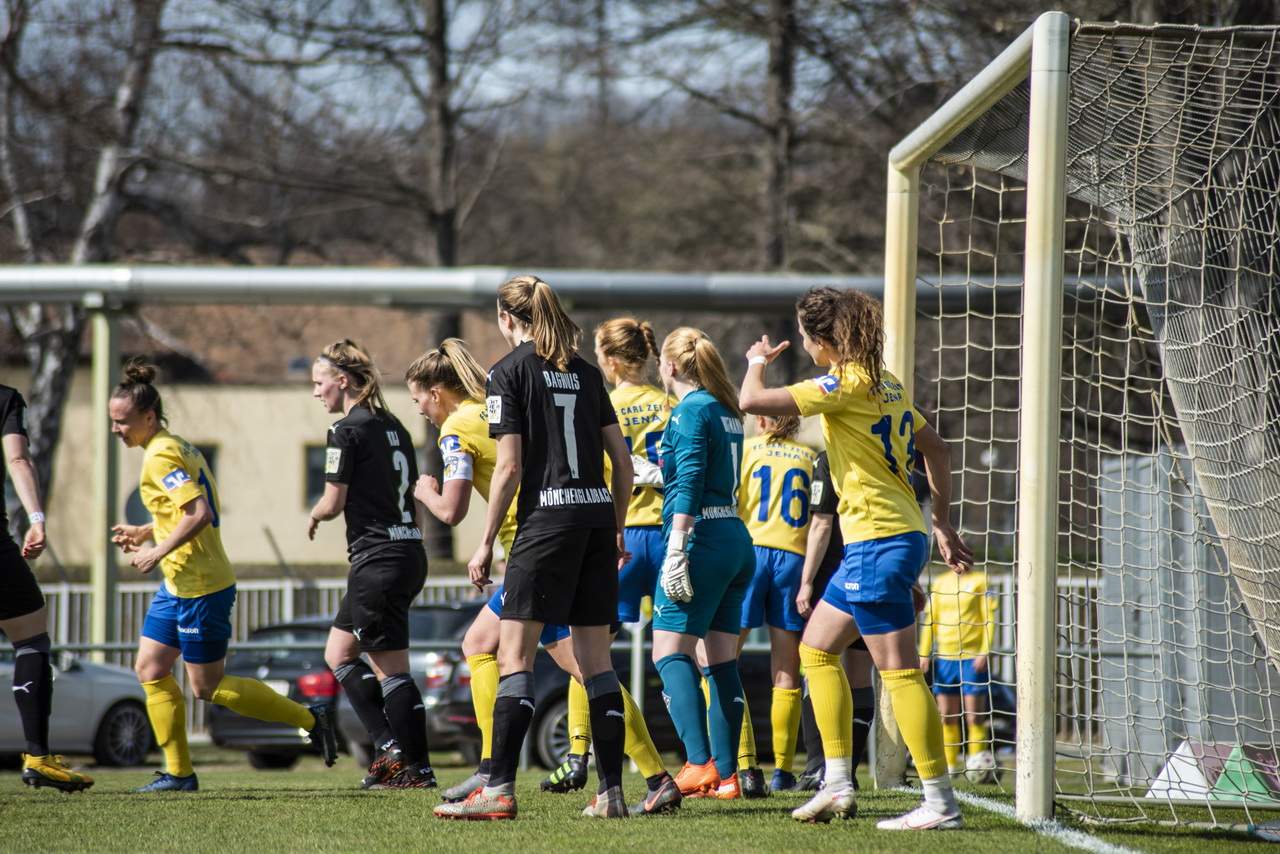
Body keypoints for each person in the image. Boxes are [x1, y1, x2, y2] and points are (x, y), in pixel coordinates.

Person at [738, 287, 973, 829]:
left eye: (805, 337)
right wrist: (940, 519)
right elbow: (936, 448)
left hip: (876, 540)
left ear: (824, 341)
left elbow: (751, 402)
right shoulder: (886, 382)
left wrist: (755, 362)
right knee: (816, 650)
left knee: (899, 673)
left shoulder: (842, 383)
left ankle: (939, 802)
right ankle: (837, 783)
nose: (802, 344)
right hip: (893, 536)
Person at [433, 275, 634, 820]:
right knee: (597, 664)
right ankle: (612, 793)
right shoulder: (588, 374)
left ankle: (497, 789)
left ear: (506, 319)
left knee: (513, 655)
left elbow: (512, 467)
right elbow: (625, 463)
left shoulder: (509, 372)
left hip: (546, 521)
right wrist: (615, 527)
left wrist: (482, 542)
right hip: (595, 519)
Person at [110, 360, 337, 792]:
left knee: (206, 687)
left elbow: (200, 513)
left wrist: (155, 550)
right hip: (178, 584)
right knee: (150, 667)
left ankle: (310, 718)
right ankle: (178, 773)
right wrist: (145, 530)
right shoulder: (174, 445)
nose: (116, 430)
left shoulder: (161, 455)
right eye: (112, 422)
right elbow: (181, 511)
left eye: (122, 422)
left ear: (148, 417)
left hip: (202, 586)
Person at [406, 338, 584, 801]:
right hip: (567, 527)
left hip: (534, 547)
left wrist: (423, 490)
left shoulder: (455, 430)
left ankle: (652, 774)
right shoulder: (496, 408)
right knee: (481, 642)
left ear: (436, 392)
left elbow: (451, 510)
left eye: (418, 400)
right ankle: (489, 767)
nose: (420, 410)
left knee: (583, 665)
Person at [309, 340, 435, 789]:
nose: (316, 392)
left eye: (319, 382)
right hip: (405, 551)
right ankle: (390, 748)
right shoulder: (395, 425)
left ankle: (415, 767)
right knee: (338, 654)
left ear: (342, 381)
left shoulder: (345, 431)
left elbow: (332, 500)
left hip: (377, 558)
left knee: (391, 670)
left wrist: (315, 514)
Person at [650, 327, 755, 801]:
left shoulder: (689, 409)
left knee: (668, 652)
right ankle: (729, 775)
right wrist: (655, 474)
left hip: (701, 540)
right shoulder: (724, 409)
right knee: (718, 660)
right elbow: (697, 473)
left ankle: (697, 763)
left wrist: (676, 547)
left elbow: (691, 479)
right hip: (733, 535)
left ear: (670, 366)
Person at [591, 317, 684, 815]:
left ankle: (583, 750)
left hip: (623, 536)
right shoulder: (671, 404)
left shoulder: (608, 406)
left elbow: (604, 470)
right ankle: (739, 767)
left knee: (589, 652)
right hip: (671, 536)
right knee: (698, 655)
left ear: (608, 360)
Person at [0, 384, 93, 792]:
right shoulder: (4, 398)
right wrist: (36, 517)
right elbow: (17, 458)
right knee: (30, 636)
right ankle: (38, 756)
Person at [736, 414, 817, 795]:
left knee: (722, 660)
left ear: (764, 419)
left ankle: (743, 764)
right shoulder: (808, 456)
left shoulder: (748, 450)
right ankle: (783, 771)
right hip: (794, 560)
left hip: (752, 553)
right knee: (786, 670)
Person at [794, 450, 876, 792]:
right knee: (865, 672)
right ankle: (847, 771)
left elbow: (822, 522)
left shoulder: (831, 456)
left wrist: (807, 580)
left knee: (815, 659)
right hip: (882, 560)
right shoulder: (888, 447)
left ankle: (818, 768)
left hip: (838, 572)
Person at [918, 566, 999, 783]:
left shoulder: (981, 580)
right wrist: (924, 653)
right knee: (947, 716)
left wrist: (985, 650)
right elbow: (930, 621)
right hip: (945, 659)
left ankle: (975, 766)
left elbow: (989, 618)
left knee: (974, 716)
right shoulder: (940, 583)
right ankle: (951, 766)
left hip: (972, 658)